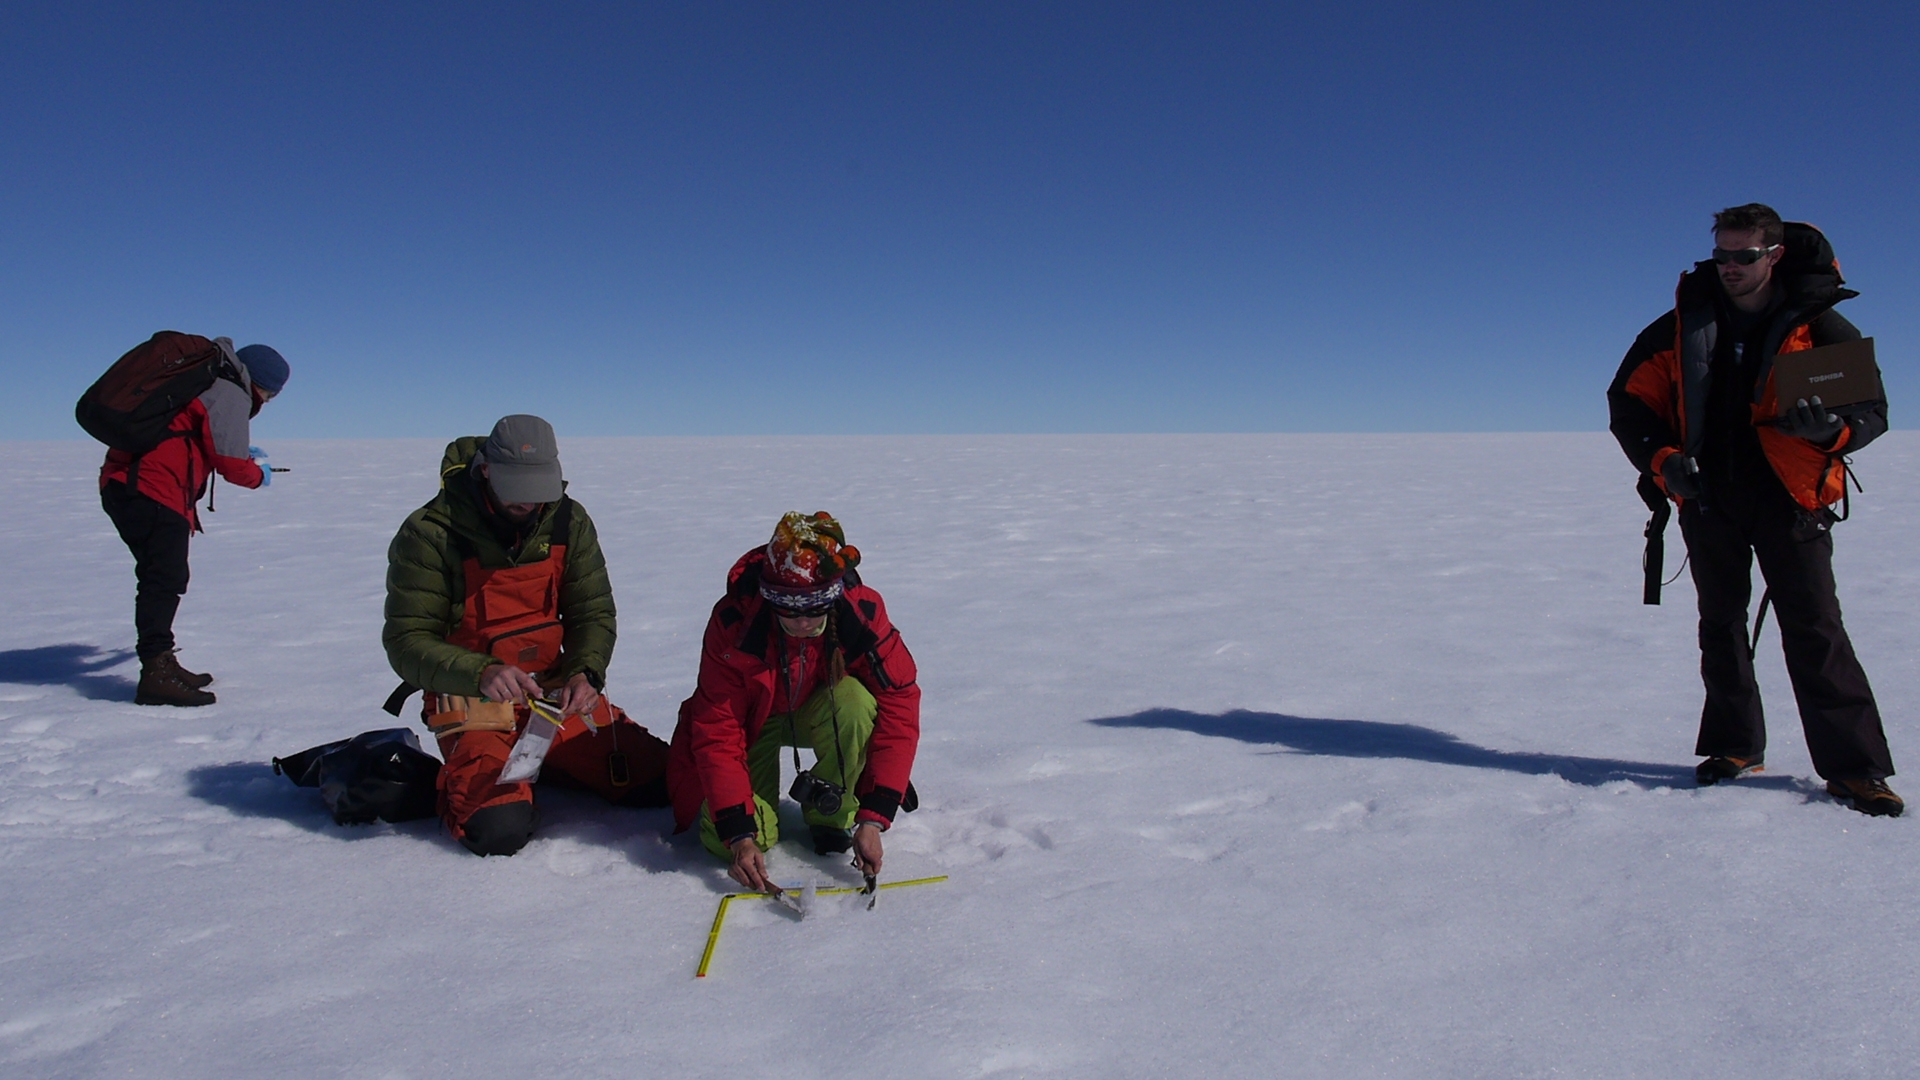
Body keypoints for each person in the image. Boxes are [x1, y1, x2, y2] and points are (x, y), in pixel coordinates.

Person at [1608, 203, 1899, 816]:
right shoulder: (1679, 328)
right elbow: (1629, 404)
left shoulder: (1820, 328)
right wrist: (1663, 461)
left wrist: (1828, 436)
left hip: (1791, 498)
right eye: (1722, 255)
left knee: (1815, 628)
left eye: (1744, 256)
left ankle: (1856, 770)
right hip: (1708, 496)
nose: (1730, 267)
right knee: (1721, 624)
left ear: (1774, 256)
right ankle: (1735, 747)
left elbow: (1871, 411)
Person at [383, 415, 670, 856]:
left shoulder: (568, 520)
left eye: (537, 490)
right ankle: (462, 783)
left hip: (553, 697)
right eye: (516, 489)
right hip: (471, 699)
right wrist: (481, 673)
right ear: (485, 471)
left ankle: (547, 762)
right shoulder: (431, 534)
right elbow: (406, 642)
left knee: (667, 779)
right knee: (499, 829)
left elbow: (591, 612)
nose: (528, 503)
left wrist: (585, 672)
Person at [667, 511, 921, 893]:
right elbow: (718, 727)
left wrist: (874, 817)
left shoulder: (862, 614)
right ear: (769, 595)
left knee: (854, 702)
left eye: (815, 603)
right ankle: (736, 822)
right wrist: (738, 835)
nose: (802, 620)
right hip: (753, 723)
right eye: (787, 605)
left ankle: (831, 817)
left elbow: (900, 703)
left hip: (817, 712)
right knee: (751, 836)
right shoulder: (733, 623)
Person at [99, 338, 287, 707]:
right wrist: (258, 473)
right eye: (271, 394)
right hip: (151, 487)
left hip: (131, 483)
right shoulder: (230, 389)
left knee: (162, 576)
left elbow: (196, 437)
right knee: (163, 579)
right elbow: (231, 464)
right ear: (262, 386)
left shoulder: (206, 379)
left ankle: (162, 662)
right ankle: (156, 673)